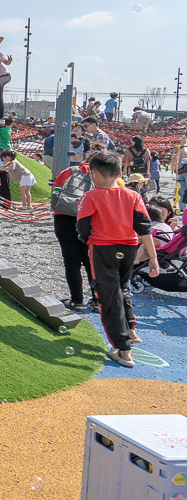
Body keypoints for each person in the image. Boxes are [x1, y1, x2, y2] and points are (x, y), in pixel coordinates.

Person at [76, 150, 159, 368]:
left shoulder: (91, 196)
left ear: (94, 173)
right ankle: (130, 329)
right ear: (120, 172)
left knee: (108, 297)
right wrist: (153, 257)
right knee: (122, 288)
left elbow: (82, 228)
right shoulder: (133, 195)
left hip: (103, 249)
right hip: (128, 249)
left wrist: (88, 240)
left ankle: (124, 350)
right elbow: (144, 227)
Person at [52, 157, 96, 311]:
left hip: (64, 216)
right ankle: (97, 301)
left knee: (71, 261)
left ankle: (77, 301)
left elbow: (55, 191)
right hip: (89, 219)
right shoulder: (102, 176)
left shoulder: (69, 171)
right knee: (91, 261)